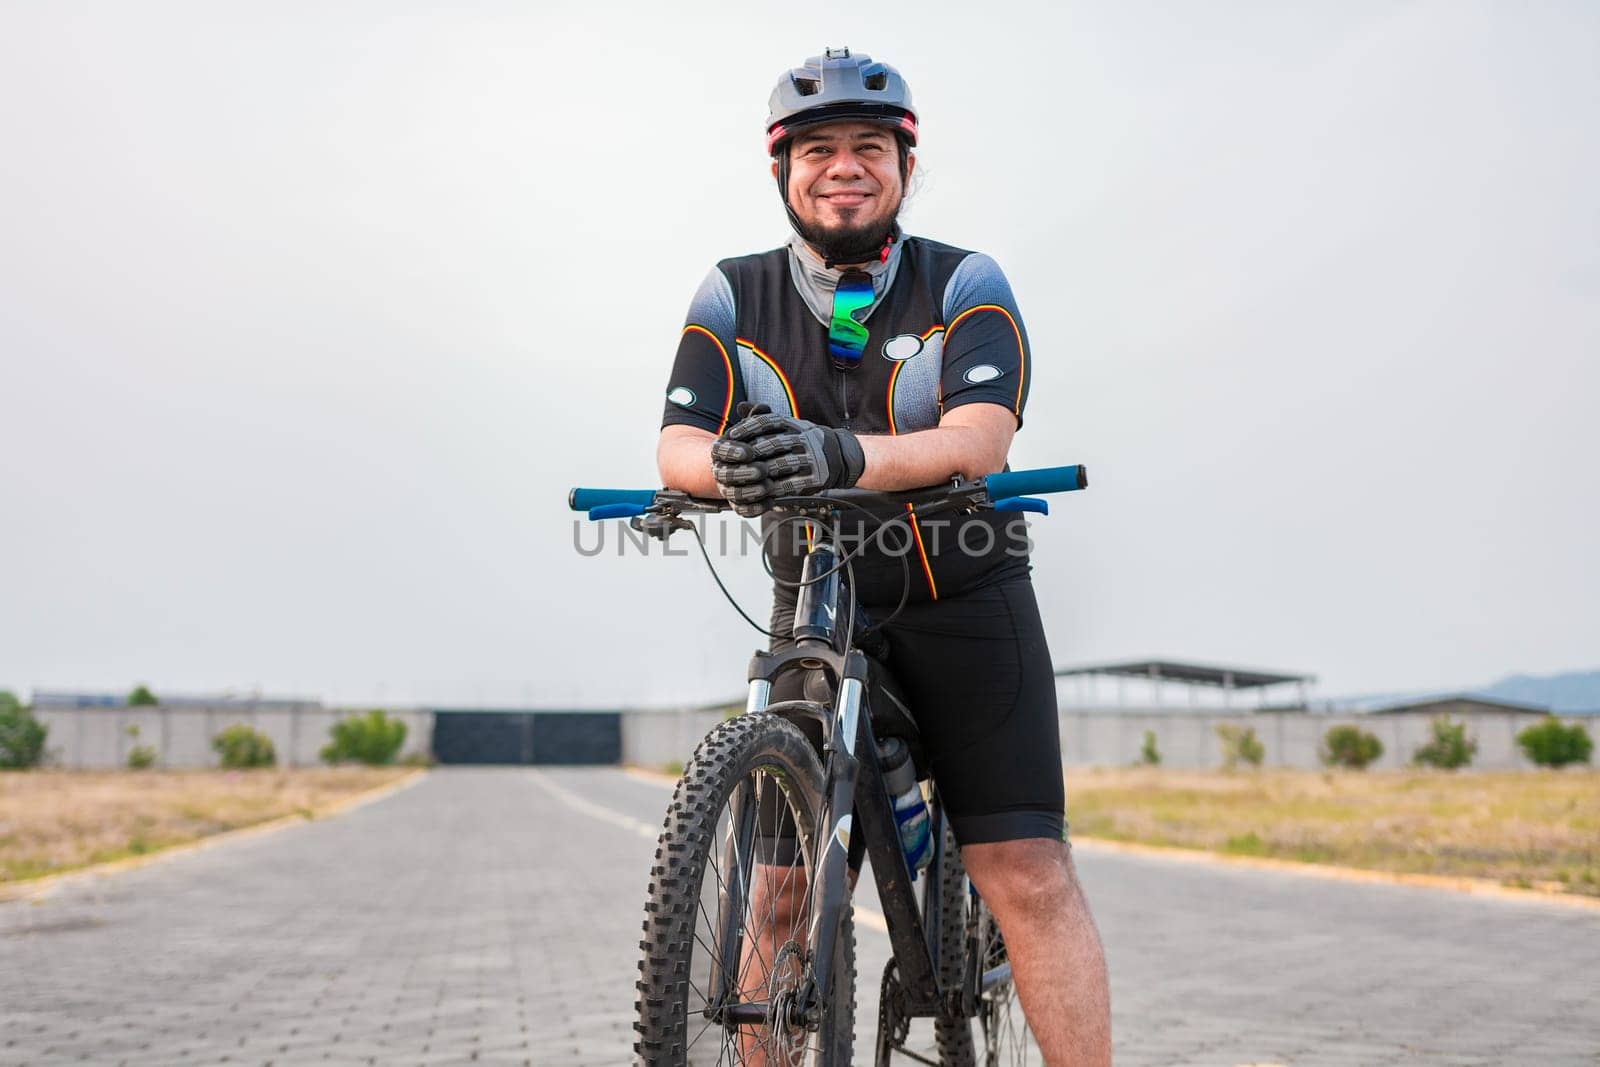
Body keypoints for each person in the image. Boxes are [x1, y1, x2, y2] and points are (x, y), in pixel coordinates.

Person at [656, 47, 1112, 1065]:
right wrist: (727, 464)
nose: (844, 166)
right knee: (774, 893)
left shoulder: (964, 279)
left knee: (1025, 869)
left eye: (870, 146)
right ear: (783, 171)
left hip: (964, 589)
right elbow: (676, 444)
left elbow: (979, 435)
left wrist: (839, 450)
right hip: (814, 602)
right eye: (817, 149)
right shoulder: (732, 294)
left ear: (905, 166)